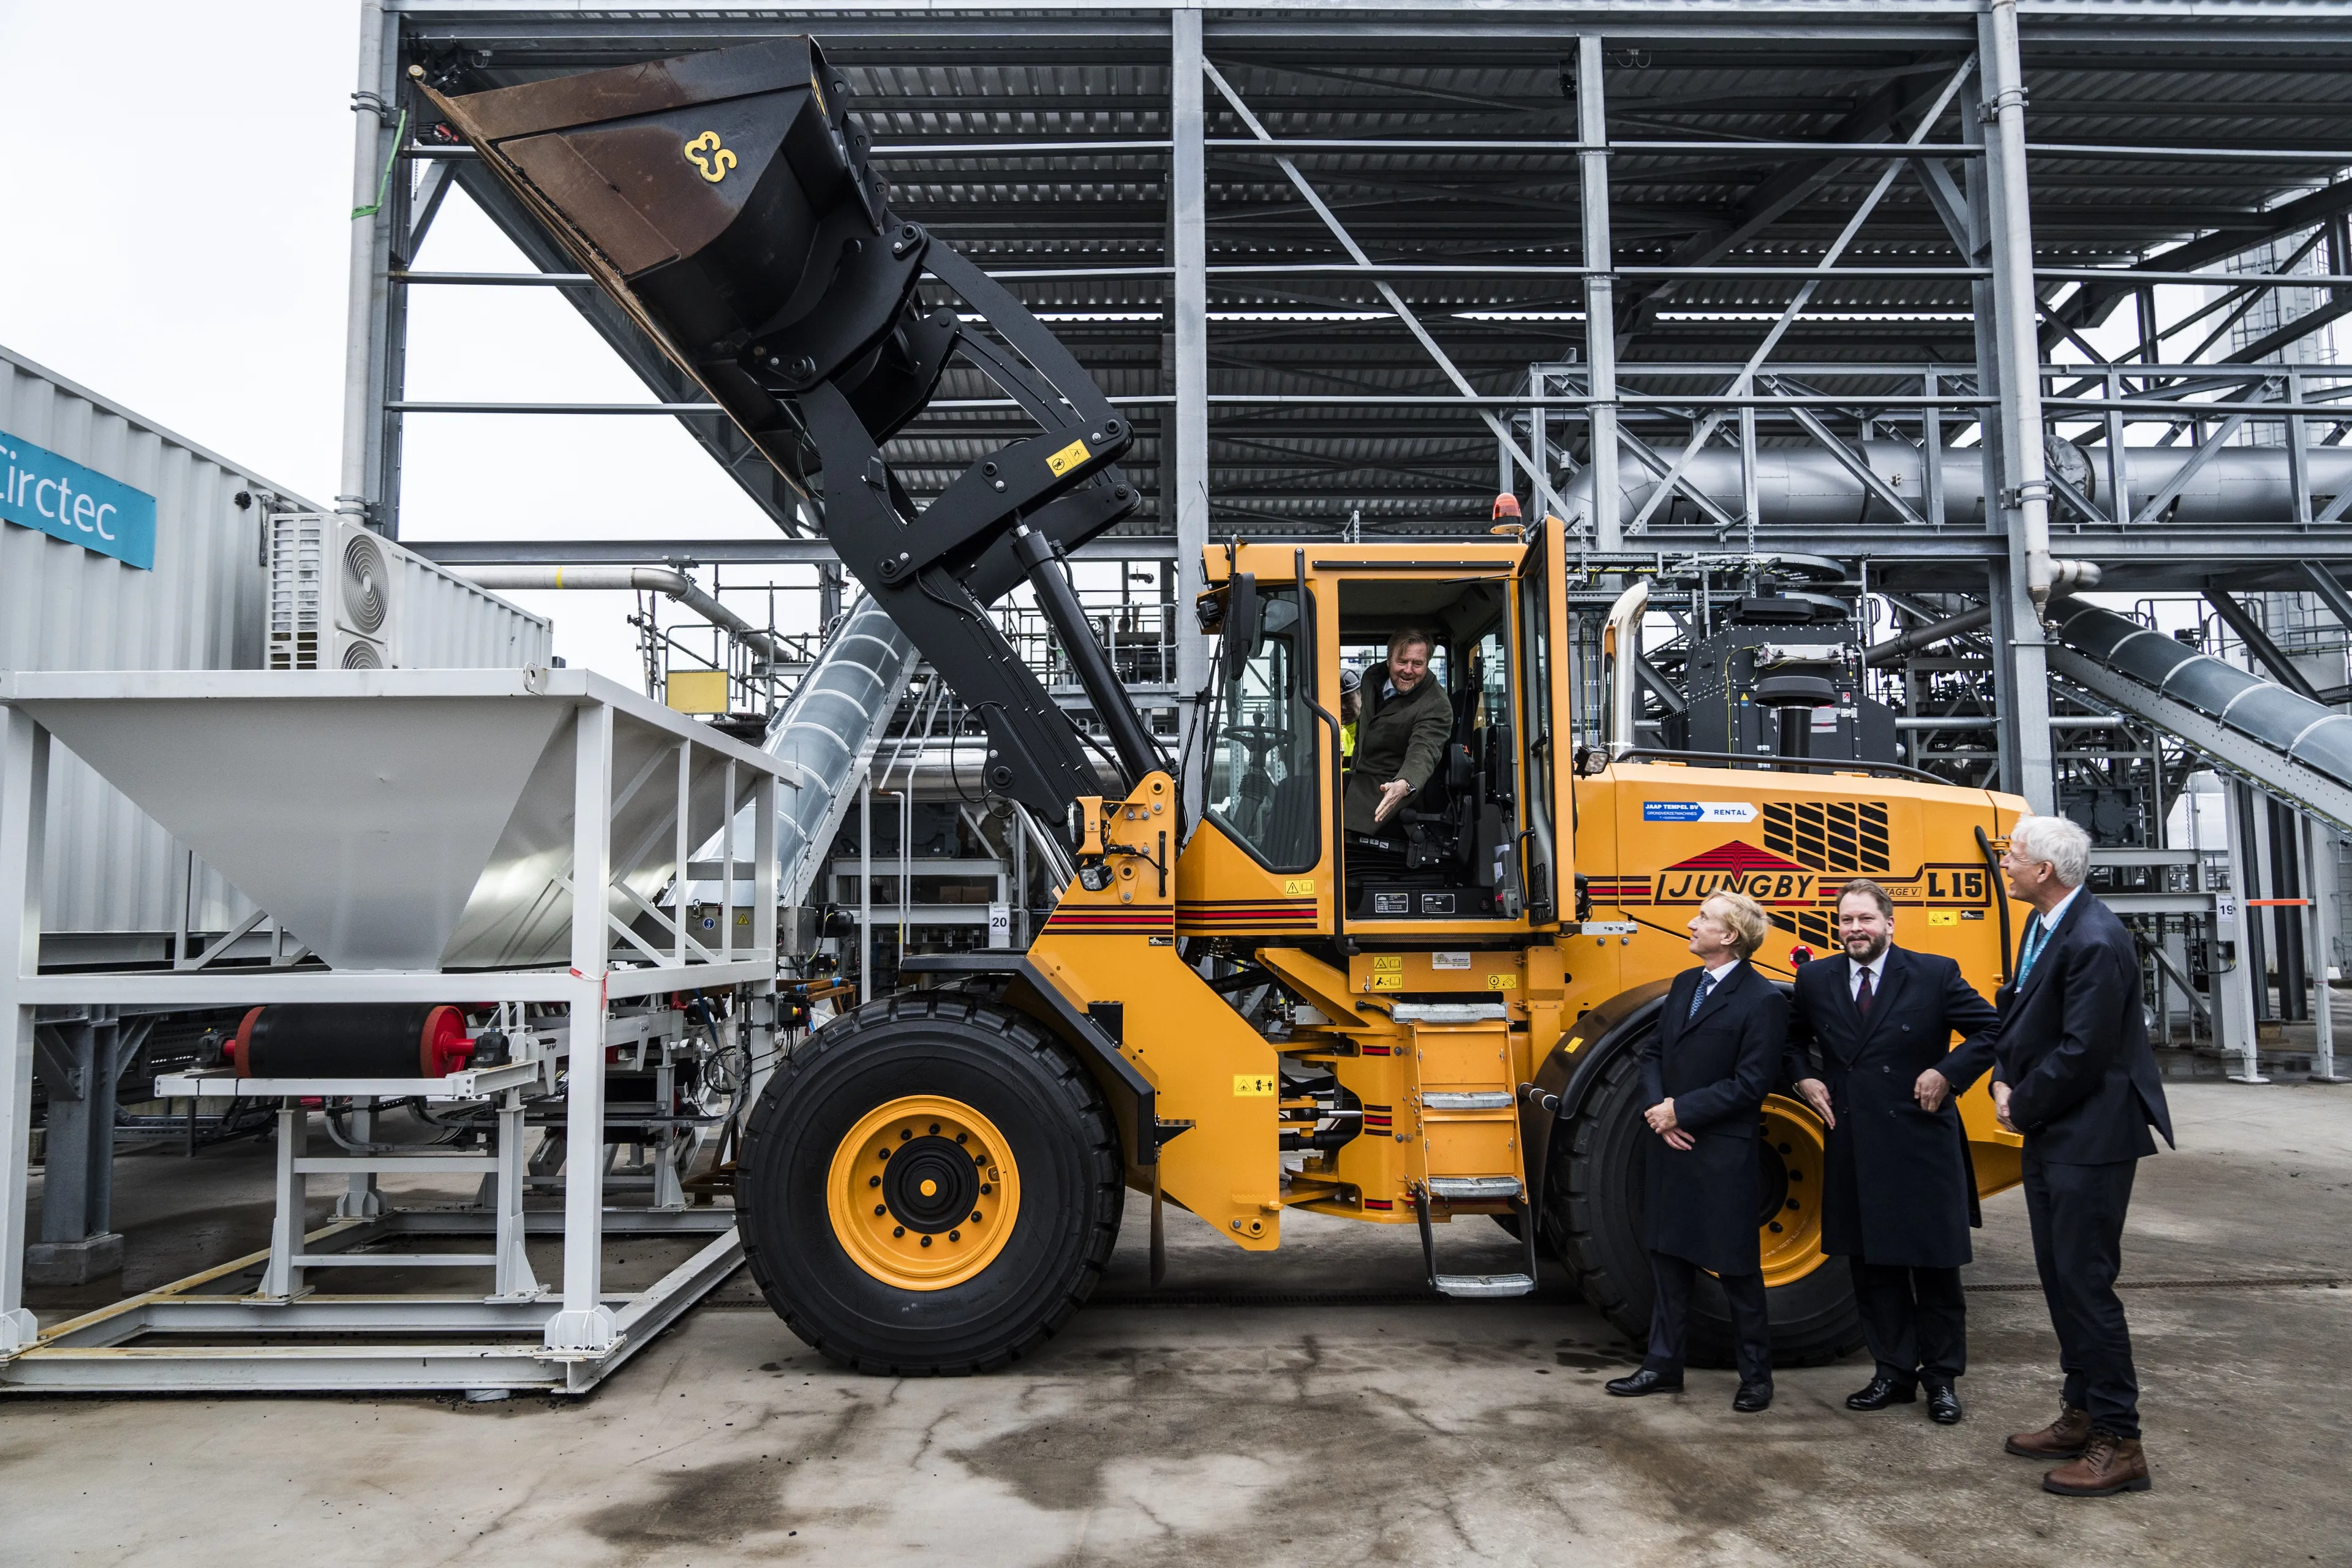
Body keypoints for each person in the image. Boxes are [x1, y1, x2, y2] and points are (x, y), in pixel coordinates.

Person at [1988, 814, 2174, 1498]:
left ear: (2044, 870)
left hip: (2090, 1137)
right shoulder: (2045, 925)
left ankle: (2121, 1441)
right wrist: (2004, 1075)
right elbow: (2021, 1015)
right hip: (2056, 1130)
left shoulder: (2095, 938)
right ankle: (2083, 1411)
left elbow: (2085, 1050)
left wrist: (2020, 1101)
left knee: (2088, 1286)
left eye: (2012, 855)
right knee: (2062, 1279)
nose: (2003, 863)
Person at [1784, 878, 2002, 1426]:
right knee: (1872, 1267)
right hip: (1854, 1140)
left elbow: (1992, 1030)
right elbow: (1789, 1040)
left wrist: (1947, 1073)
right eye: (1846, 920)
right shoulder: (1815, 978)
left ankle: (1943, 1379)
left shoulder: (1934, 973)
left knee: (1934, 1268)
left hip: (1921, 1139)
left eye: (1865, 919)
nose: (1855, 929)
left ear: (1889, 923)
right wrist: (1804, 1081)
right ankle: (1892, 1373)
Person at [1606, 890, 1788, 1412]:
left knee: (1736, 1270)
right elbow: (1652, 1054)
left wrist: (1680, 1112)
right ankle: (1662, 1366)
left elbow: (1751, 1085)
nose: (1691, 923)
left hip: (1721, 1156)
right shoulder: (1686, 984)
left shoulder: (1764, 1001)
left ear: (1729, 936)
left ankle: (1756, 1378)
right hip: (1672, 1146)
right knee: (1667, 1261)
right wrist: (1659, 1112)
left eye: (1703, 918)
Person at [1342, 630, 1452, 835]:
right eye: (1402, 662)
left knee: (1303, 792)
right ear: (1388, 660)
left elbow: (1424, 750)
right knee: (1301, 787)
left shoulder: (1436, 704)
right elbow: (1363, 731)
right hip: (1360, 778)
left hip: (1390, 788)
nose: (1409, 670)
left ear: (1427, 664)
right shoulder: (1370, 678)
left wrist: (1406, 783)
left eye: (1417, 664)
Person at [1338, 665, 1362, 766]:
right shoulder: (1334, 738)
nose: (1343, 707)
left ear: (1361, 695)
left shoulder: (1376, 735)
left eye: (1348, 699)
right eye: (1337, 702)